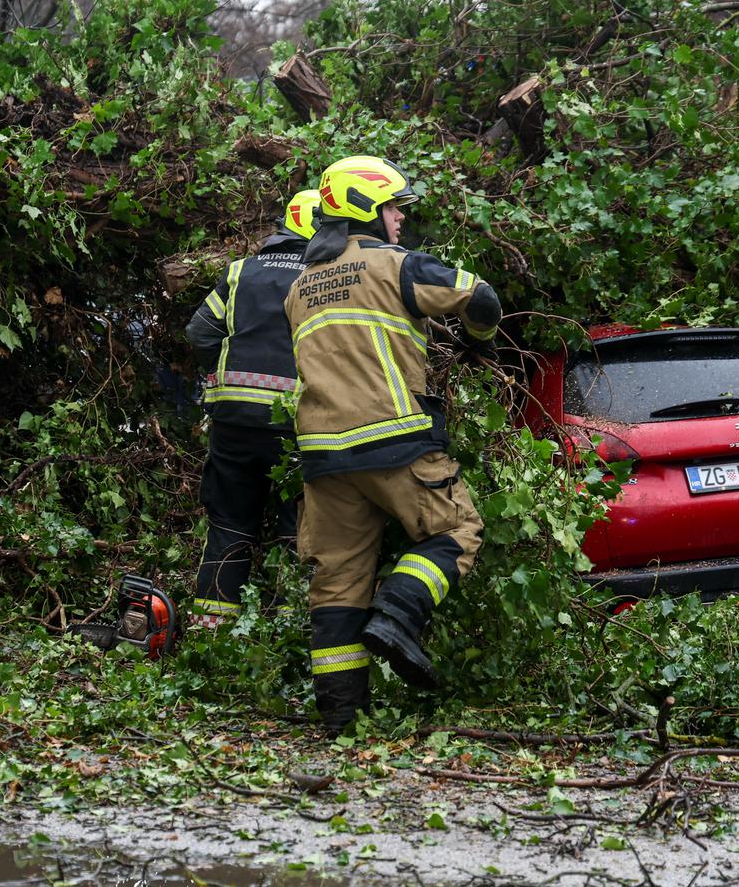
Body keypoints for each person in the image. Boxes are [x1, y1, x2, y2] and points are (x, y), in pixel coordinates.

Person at [283, 155, 501, 730]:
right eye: (392, 205)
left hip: (324, 459)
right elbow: (483, 300)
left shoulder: (299, 288)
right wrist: (479, 341)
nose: (400, 216)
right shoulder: (396, 265)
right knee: (457, 531)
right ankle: (399, 613)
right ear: (365, 209)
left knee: (336, 582)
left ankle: (340, 718)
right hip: (396, 441)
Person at [183, 188, 321, 629]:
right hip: (294, 424)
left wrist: (224, 376)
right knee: (294, 529)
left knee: (229, 523)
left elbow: (200, 332)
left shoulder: (241, 271)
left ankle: (212, 632)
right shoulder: (325, 278)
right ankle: (285, 634)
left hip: (232, 421)